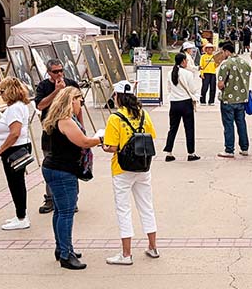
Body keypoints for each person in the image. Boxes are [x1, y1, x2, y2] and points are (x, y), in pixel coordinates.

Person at [41, 87, 101, 269]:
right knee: (66, 212)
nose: (81, 103)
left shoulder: (57, 118)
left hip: (54, 167)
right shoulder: (66, 121)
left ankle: (62, 248)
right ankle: (66, 255)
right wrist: (101, 138)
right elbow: (83, 142)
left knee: (60, 211)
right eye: (79, 100)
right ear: (71, 100)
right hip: (62, 170)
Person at [103, 81, 159, 265]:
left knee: (123, 209)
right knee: (146, 206)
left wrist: (103, 145)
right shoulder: (143, 114)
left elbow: (112, 147)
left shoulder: (115, 118)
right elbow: (151, 136)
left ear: (118, 97)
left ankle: (126, 254)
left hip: (122, 168)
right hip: (142, 167)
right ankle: (153, 246)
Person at [35, 59, 81, 214]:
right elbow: (40, 105)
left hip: (70, 131)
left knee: (71, 165)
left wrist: (81, 128)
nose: (59, 74)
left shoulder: (71, 84)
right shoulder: (43, 86)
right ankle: (50, 198)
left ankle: (72, 199)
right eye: (55, 72)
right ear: (49, 72)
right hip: (50, 133)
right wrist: (56, 91)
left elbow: (79, 108)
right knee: (51, 165)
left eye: (61, 70)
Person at [0, 77, 32, 230]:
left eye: (2, 91)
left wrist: (0, 149)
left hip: (14, 149)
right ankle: (20, 214)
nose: (0, 95)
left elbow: (15, 133)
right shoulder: (18, 106)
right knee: (16, 183)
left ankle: (22, 217)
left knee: (16, 183)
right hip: (17, 147)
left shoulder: (15, 108)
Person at [216, 42, 252, 158]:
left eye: (222, 52)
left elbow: (221, 84)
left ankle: (229, 149)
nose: (222, 55)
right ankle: (244, 148)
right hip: (241, 99)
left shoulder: (225, 64)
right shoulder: (245, 63)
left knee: (228, 125)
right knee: (241, 123)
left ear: (227, 51)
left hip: (228, 99)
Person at [163, 53, 201, 162]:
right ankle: (191, 153)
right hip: (186, 103)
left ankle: (169, 152)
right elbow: (192, 89)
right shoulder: (188, 74)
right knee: (189, 128)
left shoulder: (170, 73)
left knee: (172, 128)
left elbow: (169, 88)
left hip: (174, 103)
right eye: (186, 60)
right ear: (183, 61)